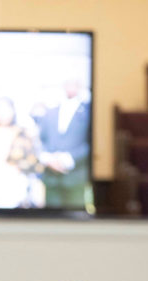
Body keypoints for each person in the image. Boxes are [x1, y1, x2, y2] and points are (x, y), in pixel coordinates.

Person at [37, 77, 92, 209]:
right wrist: (48, 159)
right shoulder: (50, 112)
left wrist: (68, 159)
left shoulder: (88, 112)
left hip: (75, 177)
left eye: (74, 84)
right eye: (68, 84)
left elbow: (91, 142)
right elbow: (40, 140)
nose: (70, 87)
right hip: (51, 178)